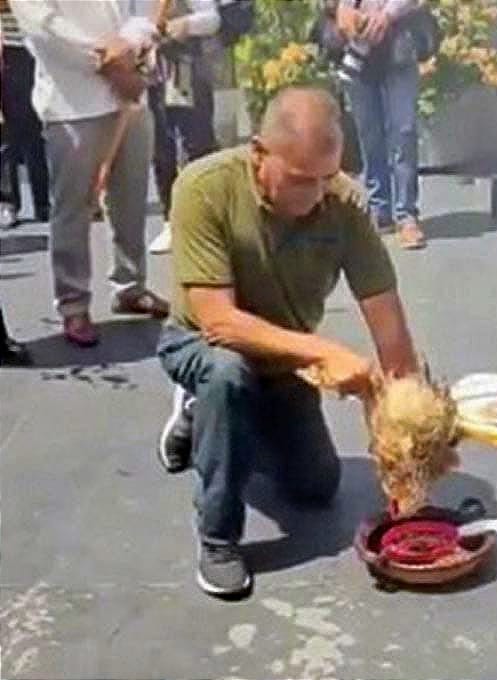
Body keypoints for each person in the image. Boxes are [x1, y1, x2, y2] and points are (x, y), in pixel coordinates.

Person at [157, 87, 420, 598]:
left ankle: (219, 422)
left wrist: (408, 435)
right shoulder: (205, 186)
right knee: (227, 375)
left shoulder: (342, 201)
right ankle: (218, 537)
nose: (317, 194)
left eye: (327, 177)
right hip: (201, 342)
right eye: (301, 179)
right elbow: (218, 321)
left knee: (315, 488)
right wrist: (328, 352)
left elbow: (387, 320)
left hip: (284, 362)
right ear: (259, 153)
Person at [11, 0, 169, 348]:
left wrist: (133, 47)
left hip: (129, 94)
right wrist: (108, 60)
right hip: (73, 103)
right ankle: (74, 303)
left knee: (130, 197)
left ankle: (130, 286)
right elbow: (45, 27)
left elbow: (140, 10)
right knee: (74, 208)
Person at [336, 0, 426, 250]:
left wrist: (386, 14)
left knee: (403, 132)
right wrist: (343, 9)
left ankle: (406, 215)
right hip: (357, 50)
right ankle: (379, 210)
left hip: (398, 48)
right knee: (369, 134)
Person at [144, 0, 220, 255]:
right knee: (161, 149)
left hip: (186, 69)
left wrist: (185, 24)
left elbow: (212, 19)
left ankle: (206, 218)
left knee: (197, 144)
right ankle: (171, 220)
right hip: (149, 72)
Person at [0, 0, 49, 228]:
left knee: (33, 129)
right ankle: (8, 202)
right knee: (6, 134)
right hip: (7, 47)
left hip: (30, 46)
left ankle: (43, 201)